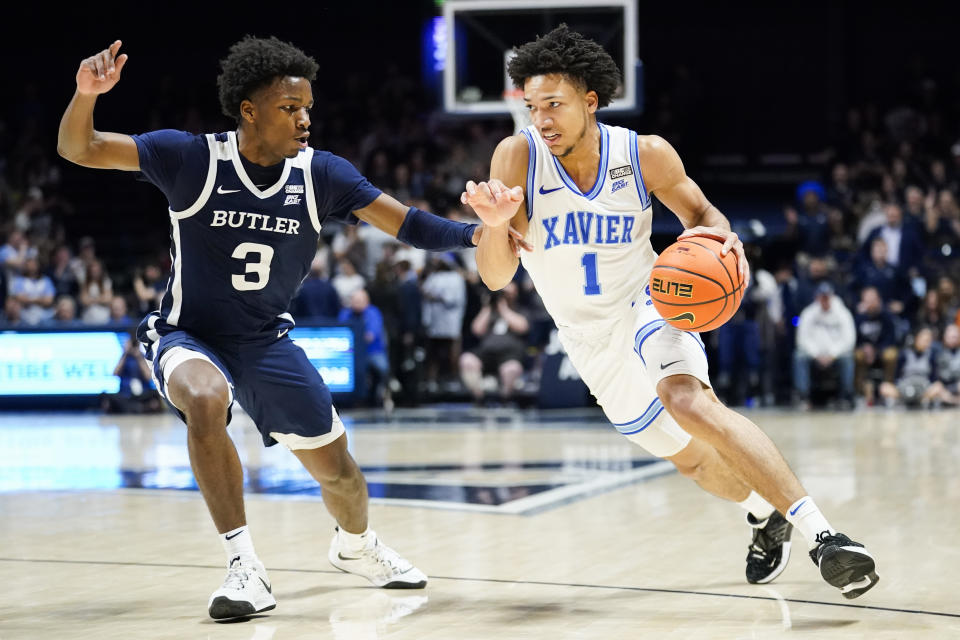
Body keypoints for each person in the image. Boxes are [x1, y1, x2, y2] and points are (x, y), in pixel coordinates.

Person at [58, 37, 526, 621]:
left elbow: (406, 223)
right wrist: (85, 96)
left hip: (265, 342)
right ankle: (244, 566)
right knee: (206, 400)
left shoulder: (322, 174)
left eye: (308, 107)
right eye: (289, 108)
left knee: (342, 475)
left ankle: (355, 546)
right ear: (248, 110)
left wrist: (475, 234)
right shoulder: (191, 157)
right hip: (189, 334)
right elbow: (81, 148)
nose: (304, 120)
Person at [462, 25, 878, 599]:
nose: (542, 120)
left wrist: (724, 243)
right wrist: (492, 225)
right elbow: (495, 274)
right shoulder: (516, 156)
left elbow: (704, 215)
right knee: (692, 463)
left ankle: (825, 536)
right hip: (587, 339)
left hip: (647, 304)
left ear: (590, 100)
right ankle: (765, 515)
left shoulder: (643, 153)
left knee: (689, 401)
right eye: (532, 107)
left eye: (554, 105)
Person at [459, 282, 529, 405]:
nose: (504, 296)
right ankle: (479, 398)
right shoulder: (490, 312)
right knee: (467, 360)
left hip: (509, 354)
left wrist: (504, 309)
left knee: (511, 369)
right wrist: (487, 307)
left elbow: (522, 327)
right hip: (486, 353)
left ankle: (505, 399)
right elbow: (476, 330)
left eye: (507, 293)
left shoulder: (521, 310)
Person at [793, 282, 857, 409]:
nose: (824, 300)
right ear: (817, 297)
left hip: (836, 354)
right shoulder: (808, 313)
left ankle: (845, 397)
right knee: (799, 356)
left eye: (827, 297)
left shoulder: (843, 313)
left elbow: (849, 339)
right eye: (822, 297)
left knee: (848, 358)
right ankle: (803, 397)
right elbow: (802, 339)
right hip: (814, 354)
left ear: (832, 297)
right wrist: (816, 354)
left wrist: (832, 354)